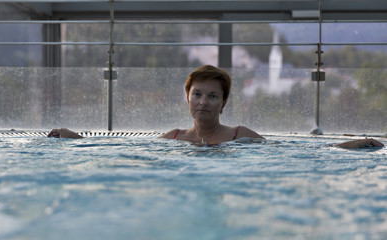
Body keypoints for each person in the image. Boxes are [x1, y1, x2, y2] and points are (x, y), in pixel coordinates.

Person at [47, 65, 384, 149]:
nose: (202, 102)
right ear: (187, 98)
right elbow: (124, 152)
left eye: (211, 96)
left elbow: (292, 151)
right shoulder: (175, 138)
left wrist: (352, 144)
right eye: (197, 94)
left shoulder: (240, 135)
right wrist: (77, 141)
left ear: (223, 103)